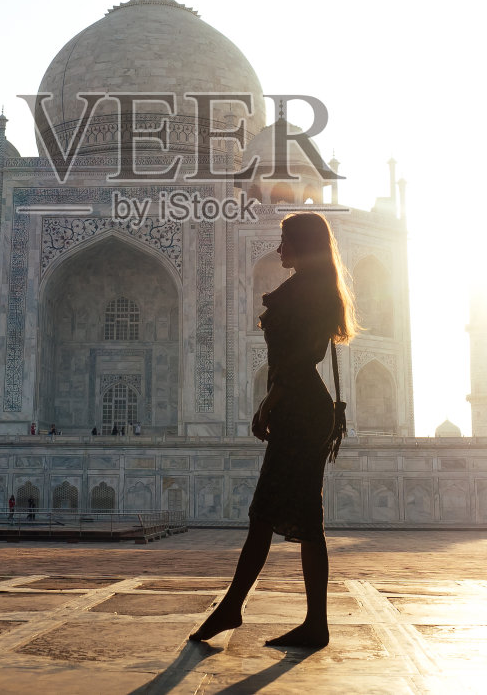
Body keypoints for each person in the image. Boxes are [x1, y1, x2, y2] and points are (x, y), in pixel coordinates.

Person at [189, 212, 357, 650]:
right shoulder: (314, 288)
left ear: (301, 244)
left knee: (266, 513)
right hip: (302, 409)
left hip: (301, 410)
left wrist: (269, 403)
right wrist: (273, 404)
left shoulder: (307, 291)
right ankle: (310, 622)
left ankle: (233, 607)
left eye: (285, 241)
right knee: (301, 517)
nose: (279, 250)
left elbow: (299, 360)